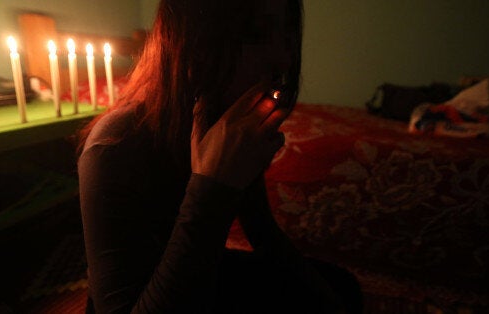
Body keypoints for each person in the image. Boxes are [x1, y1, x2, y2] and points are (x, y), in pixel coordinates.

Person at [78, 0, 363, 313]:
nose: (282, 59)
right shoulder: (113, 146)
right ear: (196, 44)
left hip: (194, 266)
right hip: (145, 299)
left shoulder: (227, 122)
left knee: (340, 287)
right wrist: (211, 185)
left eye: (287, 37)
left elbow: (262, 231)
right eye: (256, 34)